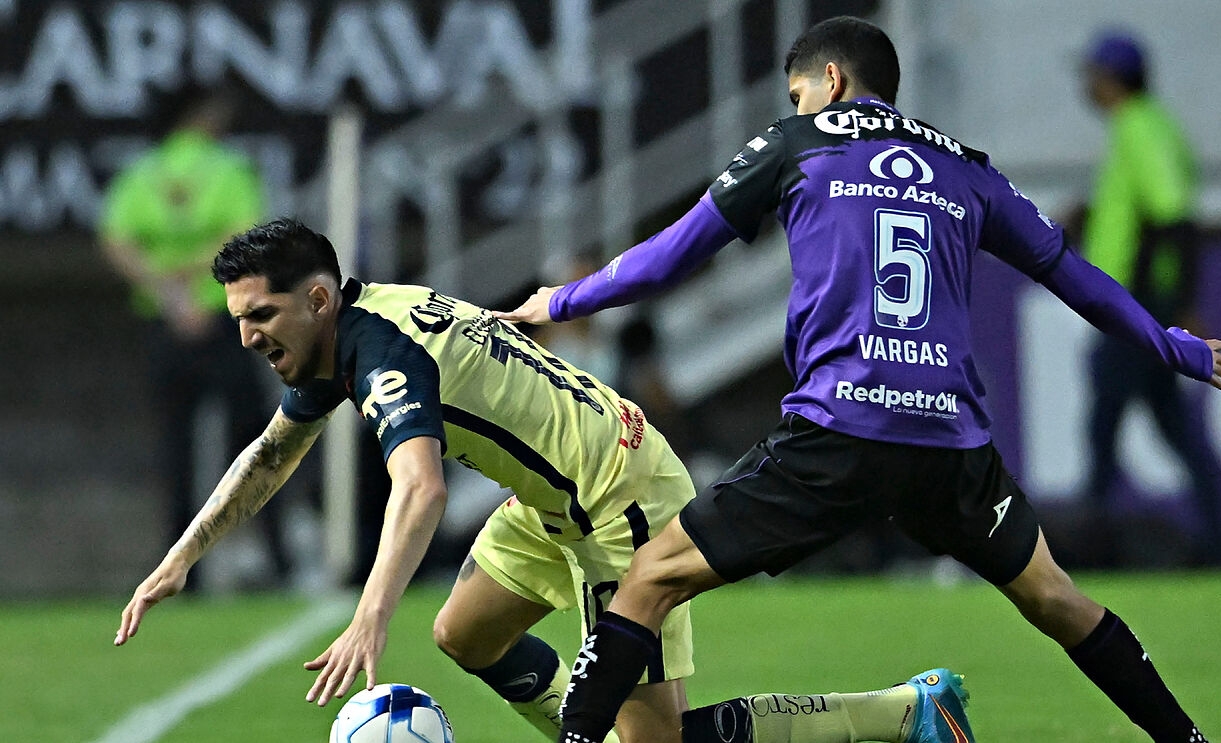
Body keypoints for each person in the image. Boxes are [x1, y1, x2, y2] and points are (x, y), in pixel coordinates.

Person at [497, 16, 1221, 743]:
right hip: (948, 441)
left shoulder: (796, 144)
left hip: (838, 431)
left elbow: (675, 252)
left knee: (648, 578)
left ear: (830, 79)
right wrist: (1172, 345)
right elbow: (1072, 275)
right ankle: (1187, 738)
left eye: (797, 95)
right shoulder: (967, 167)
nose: (795, 110)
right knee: (1055, 597)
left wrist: (564, 298)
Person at [110, 219, 969, 743]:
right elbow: (271, 454)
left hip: (618, 499)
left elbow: (422, 490)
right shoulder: (353, 328)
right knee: (467, 633)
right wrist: (180, 557)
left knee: (654, 741)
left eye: (261, 314)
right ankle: (599, 719)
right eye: (239, 320)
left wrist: (367, 617)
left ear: (322, 297)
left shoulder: (383, 355)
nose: (250, 335)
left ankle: (904, 712)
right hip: (552, 496)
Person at [99, 88, 291, 588]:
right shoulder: (227, 168)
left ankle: (183, 574)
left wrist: (168, 290)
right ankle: (277, 558)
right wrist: (195, 281)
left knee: (175, 449)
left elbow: (116, 240)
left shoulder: (144, 172)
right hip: (229, 323)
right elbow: (245, 236)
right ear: (203, 116)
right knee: (258, 444)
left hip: (165, 322)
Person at [1077, 30, 1221, 566]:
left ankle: (1087, 548)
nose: (1085, 84)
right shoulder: (1141, 126)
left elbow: (1173, 219)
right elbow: (1148, 214)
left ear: (1112, 78)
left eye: (1091, 72)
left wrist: (1176, 302)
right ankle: (1220, 547)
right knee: (1169, 424)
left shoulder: (1141, 127)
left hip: (1137, 304)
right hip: (1139, 300)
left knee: (1104, 419)